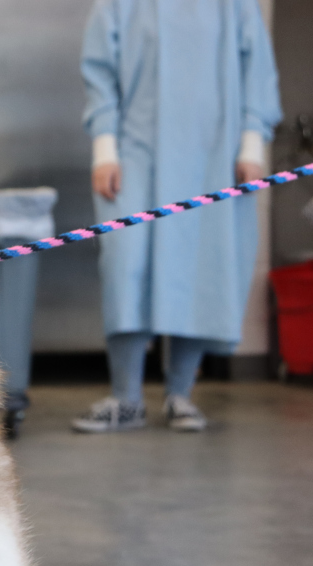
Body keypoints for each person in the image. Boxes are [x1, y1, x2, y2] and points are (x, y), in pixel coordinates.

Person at [72, 0, 282, 432]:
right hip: (133, 155)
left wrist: (251, 145)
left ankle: (180, 394)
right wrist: (105, 148)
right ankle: (125, 398)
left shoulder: (234, 6)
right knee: (126, 264)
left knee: (198, 265)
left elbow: (257, 71)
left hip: (213, 155)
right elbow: (100, 71)